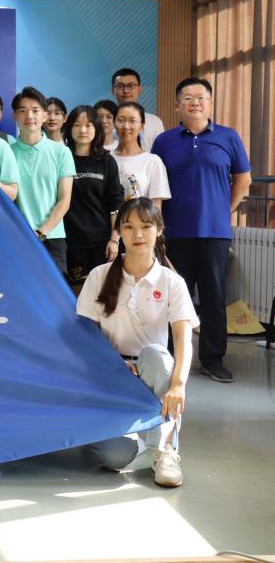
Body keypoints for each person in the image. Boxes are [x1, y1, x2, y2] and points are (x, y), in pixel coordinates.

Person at [76, 198, 194, 488]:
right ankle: (137, 442)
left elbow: (183, 338)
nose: (138, 234)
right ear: (119, 232)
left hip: (153, 371)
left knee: (157, 355)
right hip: (111, 372)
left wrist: (178, 384)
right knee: (113, 457)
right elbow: (85, 335)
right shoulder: (99, 276)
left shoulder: (171, 282)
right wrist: (112, 365)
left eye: (146, 226)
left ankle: (165, 450)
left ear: (159, 230)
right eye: (128, 227)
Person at [152, 77, 252, 383]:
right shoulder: (164, 141)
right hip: (174, 232)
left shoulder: (228, 137)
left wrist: (223, 211)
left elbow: (243, 180)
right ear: (177, 105)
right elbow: (156, 183)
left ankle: (212, 359)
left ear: (210, 103)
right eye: (188, 97)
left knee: (214, 297)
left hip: (215, 233)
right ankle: (168, 357)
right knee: (172, 298)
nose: (195, 102)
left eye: (200, 97)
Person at [10, 86, 75, 275]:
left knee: (54, 291)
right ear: (14, 116)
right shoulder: (6, 151)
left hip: (52, 237)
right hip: (16, 237)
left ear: (45, 116)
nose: (29, 116)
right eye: (23, 110)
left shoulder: (61, 152)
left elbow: (64, 200)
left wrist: (41, 232)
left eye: (35, 110)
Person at [62, 105, 123, 286]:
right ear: (69, 128)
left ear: (96, 128)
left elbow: (115, 201)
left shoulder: (107, 161)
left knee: (103, 293)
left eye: (88, 125)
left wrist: (114, 239)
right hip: (70, 242)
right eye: (77, 125)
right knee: (75, 294)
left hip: (101, 242)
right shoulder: (62, 157)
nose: (83, 130)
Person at [111, 101, 170, 206]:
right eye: (121, 120)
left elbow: (156, 208)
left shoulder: (153, 162)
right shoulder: (106, 158)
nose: (126, 126)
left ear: (142, 125)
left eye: (132, 121)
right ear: (114, 123)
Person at [112, 68, 165, 151]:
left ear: (139, 89)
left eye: (131, 86)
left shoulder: (155, 122)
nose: (126, 91)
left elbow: (162, 151)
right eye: (120, 86)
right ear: (113, 91)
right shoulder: (106, 122)